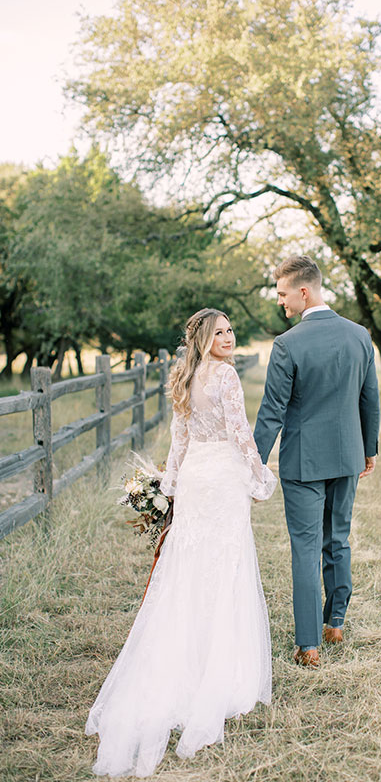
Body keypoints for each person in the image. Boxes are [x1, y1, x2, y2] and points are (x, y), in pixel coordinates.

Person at [85, 308, 277, 777]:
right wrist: (261, 476)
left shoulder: (184, 376)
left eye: (231, 330)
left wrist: (170, 483)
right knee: (223, 567)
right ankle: (221, 674)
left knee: (191, 569)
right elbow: (238, 433)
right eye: (220, 332)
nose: (228, 337)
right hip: (221, 479)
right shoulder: (226, 377)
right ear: (203, 338)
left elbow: (180, 439)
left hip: (194, 479)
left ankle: (188, 661)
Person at [254, 256, 380, 668]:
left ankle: (309, 645)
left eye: (283, 294)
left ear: (303, 291)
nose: (281, 303)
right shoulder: (360, 335)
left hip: (304, 463)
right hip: (346, 457)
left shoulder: (288, 344)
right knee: (338, 539)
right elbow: (369, 398)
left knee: (305, 549)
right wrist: (369, 448)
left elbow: (272, 413)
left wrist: (252, 463)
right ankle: (336, 622)